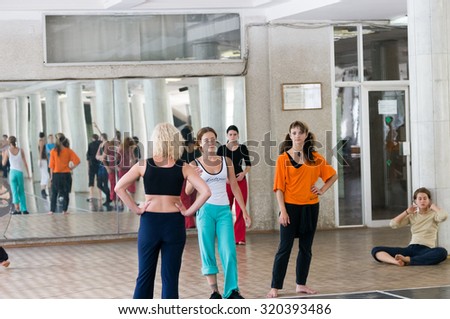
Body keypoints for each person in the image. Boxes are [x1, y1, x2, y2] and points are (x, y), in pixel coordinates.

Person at [115, 122, 210, 299]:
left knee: (144, 276)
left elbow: (119, 188)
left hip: (150, 223)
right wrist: (188, 212)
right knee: (170, 278)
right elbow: (206, 192)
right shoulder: (184, 167)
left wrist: (136, 209)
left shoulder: (143, 165)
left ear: (156, 141)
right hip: (174, 224)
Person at [267, 121, 338, 298]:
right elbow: (279, 188)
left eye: (300, 132)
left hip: (310, 208)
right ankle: (275, 287)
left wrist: (322, 189)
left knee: (306, 248)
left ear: (306, 135)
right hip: (290, 209)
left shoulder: (315, 158)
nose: (297, 135)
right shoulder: (283, 159)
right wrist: (283, 211)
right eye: (294, 132)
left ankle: (301, 284)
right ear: (289, 135)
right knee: (284, 248)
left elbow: (333, 175)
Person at [185, 126, 251, 299]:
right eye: (207, 140)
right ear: (200, 143)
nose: (211, 143)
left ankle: (232, 290)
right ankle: (214, 291)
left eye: (213, 139)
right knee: (207, 250)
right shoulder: (194, 164)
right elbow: (188, 191)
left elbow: (235, 187)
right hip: (205, 211)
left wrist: (244, 211)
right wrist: (194, 176)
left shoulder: (226, 161)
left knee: (228, 251)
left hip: (223, 211)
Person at [371, 187, 448, 266]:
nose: (422, 201)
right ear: (415, 201)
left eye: (425, 198)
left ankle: (408, 260)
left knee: (442, 252)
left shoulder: (434, 215)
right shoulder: (412, 216)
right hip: (410, 248)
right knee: (376, 250)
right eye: (420, 199)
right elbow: (393, 224)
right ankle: (396, 262)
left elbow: (444, 216)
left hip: (426, 249)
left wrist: (434, 207)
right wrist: (406, 212)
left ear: (429, 200)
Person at [217, 125, 252, 245]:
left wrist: (243, 173)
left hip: (240, 181)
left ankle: (240, 238)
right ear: (227, 136)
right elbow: (218, 165)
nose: (232, 136)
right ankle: (226, 237)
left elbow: (248, 165)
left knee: (241, 209)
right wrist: (224, 177)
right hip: (225, 182)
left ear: (238, 135)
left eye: (235, 134)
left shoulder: (243, 148)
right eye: (230, 134)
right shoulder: (221, 149)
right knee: (226, 210)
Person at [48, 133, 80, 214]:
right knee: (66, 193)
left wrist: (51, 177)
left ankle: (52, 210)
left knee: (54, 193)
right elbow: (77, 161)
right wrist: (71, 168)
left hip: (56, 175)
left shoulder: (53, 151)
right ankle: (64, 210)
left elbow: (51, 166)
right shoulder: (69, 151)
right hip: (66, 175)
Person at [1, 136, 30, 215]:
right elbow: (25, 163)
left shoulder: (7, 151)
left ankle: (17, 210)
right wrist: (28, 174)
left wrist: (3, 155)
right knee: (21, 191)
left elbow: (3, 163)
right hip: (20, 173)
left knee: (14, 192)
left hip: (12, 173)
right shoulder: (21, 150)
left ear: (9, 143)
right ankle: (24, 209)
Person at [180, 125, 201, 229]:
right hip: (194, 174)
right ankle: (193, 218)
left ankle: (189, 222)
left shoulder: (180, 147)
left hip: (183, 175)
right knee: (193, 197)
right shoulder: (196, 146)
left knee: (185, 198)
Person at [96, 133, 112, 208]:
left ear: (102, 137)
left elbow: (104, 156)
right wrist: (100, 157)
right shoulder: (101, 145)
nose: (99, 138)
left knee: (105, 183)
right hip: (100, 165)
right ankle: (109, 196)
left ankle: (108, 198)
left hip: (106, 165)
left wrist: (100, 157)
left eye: (100, 137)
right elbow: (97, 156)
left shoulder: (107, 144)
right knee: (99, 184)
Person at [86, 134, 103, 202]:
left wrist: (88, 167)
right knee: (99, 180)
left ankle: (91, 195)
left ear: (93, 138)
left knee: (91, 180)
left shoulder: (90, 144)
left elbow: (88, 156)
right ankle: (100, 196)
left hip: (92, 164)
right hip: (99, 164)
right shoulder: (101, 144)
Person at [38, 132, 50, 199]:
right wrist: (40, 159)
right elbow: (41, 151)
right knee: (45, 176)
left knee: (44, 176)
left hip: (43, 159)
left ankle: (43, 191)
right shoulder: (41, 141)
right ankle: (43, 191)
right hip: (42, 160)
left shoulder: (40, 141)